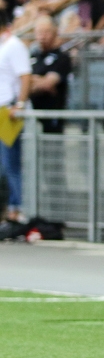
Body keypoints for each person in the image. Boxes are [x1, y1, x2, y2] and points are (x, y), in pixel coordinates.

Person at [0, 24, 31, 223]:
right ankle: (8, 208)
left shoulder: (14, 45)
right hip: (2, 111)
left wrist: (19, 104)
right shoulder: (4, 46)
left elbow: (25, 76)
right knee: (4, 165)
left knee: (11, 164)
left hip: (10, 112)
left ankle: (16, 208)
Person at [28, 16, 72, 134]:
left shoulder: (62, 57)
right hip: (32, 116)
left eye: (46, 32)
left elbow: (48, 84)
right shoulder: (33, 56)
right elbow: (22, 81)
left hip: (52, 115)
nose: (42, 36)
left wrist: (31, 81)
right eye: (39, 32)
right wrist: (34, 81)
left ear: (55, 32)